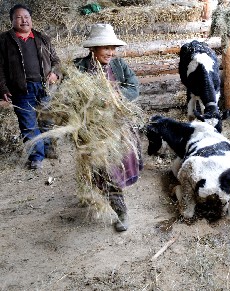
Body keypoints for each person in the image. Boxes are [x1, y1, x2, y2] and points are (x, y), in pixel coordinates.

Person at [74, 23, 141, 232]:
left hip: (118, 126)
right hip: (93, 129)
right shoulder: (79, 69)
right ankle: (114, 205)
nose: (111, 52)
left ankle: (119, 209)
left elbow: (134, 86)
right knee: (102, 168)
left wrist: (117, 98)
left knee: (114, 168)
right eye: (106, 48)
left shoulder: (119, 66)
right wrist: (92, 102)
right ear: (93, 49)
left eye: (113, 48)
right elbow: (71, 98)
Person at [0, 4, 61, 170]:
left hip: (45, 87)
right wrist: (3, 88)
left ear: (31, 19)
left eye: (26, 17)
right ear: (12, 20)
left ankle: (49, 149)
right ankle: (36, 156)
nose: (24, 20)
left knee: (47, 121)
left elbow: (56, 62)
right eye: (19, 17)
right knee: (28, 125)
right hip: (21, 90)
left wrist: (55, 74)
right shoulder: (4, 41)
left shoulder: (42, 38)